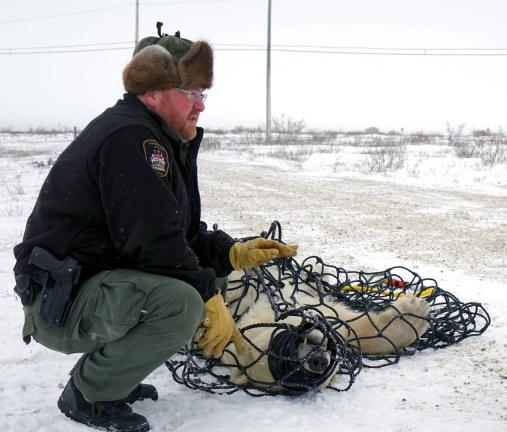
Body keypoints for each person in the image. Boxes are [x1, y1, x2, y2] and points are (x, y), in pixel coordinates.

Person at [12, 24, 297, 432]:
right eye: (191, 93)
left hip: (84, 286)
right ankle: (90, 394)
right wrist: (207, 298)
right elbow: (153, 242)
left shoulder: (156, 137)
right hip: (59, 302)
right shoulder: (130, 138)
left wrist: (231, 252)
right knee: (182, 303)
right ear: (152, 93)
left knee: (208, 276)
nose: (200, 106)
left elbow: (177, 233)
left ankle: (114, 375)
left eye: (203, 94)